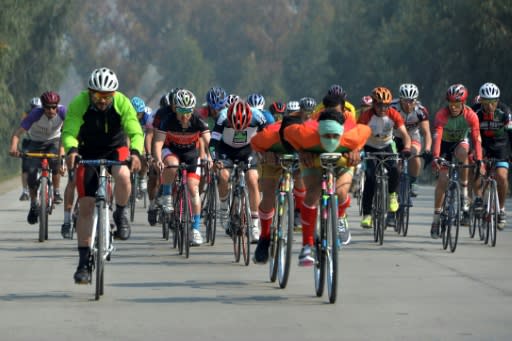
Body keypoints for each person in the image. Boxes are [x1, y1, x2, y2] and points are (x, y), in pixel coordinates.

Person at [62, 67, 143, 284]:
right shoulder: (79, 102)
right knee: (87, 206)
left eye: (107, 96)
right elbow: (69, 131)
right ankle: (83, 263)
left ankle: (121, 213)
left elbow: (135, 131)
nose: (102, 100)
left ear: (114, 94)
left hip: (116, 149)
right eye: (97, 95)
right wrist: (71, 150)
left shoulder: (122, 102)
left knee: (124, 175)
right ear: (90, 93)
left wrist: (136, 153)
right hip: (88, 151)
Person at [283, 109, 371, 265]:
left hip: (343, 158)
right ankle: (307, 245)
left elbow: (367, 131)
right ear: (318, 132)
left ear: (342, 133)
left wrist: (356, 149)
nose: (330, 140)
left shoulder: (351, 137)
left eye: (335, 136)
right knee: (312, 195)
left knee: (341, 191)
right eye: (326, 136)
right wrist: (301, 150)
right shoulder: (306, 135)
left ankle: (340, 217)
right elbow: (287, 132)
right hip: (313, 158)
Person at [153, 89, 210, 246]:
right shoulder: (168, 120)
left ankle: (196, 229)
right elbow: (158, 142)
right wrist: (158, 159)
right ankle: (166, 196)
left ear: (193, 110)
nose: (185, 116)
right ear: (175, 108)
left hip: (191, 154)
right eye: (181, 111)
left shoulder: (198, 119)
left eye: (188, 111)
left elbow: (209, 141)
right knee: (172, 166)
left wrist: (210, 157)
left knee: (193, 189)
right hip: (171, 150)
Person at [430, 83, 484, 238]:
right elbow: (438, 137)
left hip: (460, 142)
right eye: (451, 103)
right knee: (442, 180)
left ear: (463, 103)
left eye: (457, 104)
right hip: (445, 145)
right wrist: (435, 157)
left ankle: (464, 191)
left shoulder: (471, 115)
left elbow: (476, 138)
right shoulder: (442, 115)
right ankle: (436, 218)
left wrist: (479, 159)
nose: (453, 107)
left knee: (464, 152)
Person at [210, 99, 267, 243]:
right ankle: (224, 208)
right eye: (235, 127)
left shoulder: (258, 117)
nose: (239, 130)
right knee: (223, 175)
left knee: (252, 179)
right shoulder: (222, 118)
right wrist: (215, 160)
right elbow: (213, 143)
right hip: (226, 150)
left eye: (242, 127)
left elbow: (268, 136)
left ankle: (254, 225)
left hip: (247, 150)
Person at [358, 87, 412, 229]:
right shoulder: (366, 116)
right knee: (370, 178)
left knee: (395, 169)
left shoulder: (393, 114)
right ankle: (367, 215)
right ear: (374, 104)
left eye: (386, 105)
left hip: (387, 146)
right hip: (370, 148)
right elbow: (357, 135)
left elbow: (405, 135)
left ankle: (392, 194)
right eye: (379, 104)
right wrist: (357, 151)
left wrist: (406, 148)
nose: (383, 108)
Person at [9, 91, 67, 225]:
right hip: (35, 143)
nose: (51, 110)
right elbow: (18, 133)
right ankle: (34, 203)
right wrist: (13, 146)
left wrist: (64, 153)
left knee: (55, 164)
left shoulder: (63, 112)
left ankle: (57, 192)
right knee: (31, 171)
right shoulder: (35, 114)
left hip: (54, 141)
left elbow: (70, 130)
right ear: (43, 107)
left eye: (54, 107)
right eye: (47, 107)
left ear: (57, 106)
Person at [472, 82, 512, 230]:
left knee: (502, 176)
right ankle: (477, 198)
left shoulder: (505, 112)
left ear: (498, 101)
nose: (490, 106)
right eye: (486, 103)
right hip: (482, 145)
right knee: (476, 169)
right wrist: (473, 153)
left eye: (493, 102)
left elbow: (511, 133)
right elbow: (470, 135)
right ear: (481, 101)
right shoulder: (475, 112)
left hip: (501, 146)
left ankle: (501, 210)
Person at [391, 83, 432, 197]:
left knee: (414, 155)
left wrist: (428, 149)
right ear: (400, 99)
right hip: (394, 137)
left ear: (416, 100)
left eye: (411, 101)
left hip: (413, 136)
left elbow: (426, 132)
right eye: (405, 101)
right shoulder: (392, 107)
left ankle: (412, 181)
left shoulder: (421, 111)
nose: (408, 104)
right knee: (394, 164)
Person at [18, 97, 43, 201]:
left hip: (43, 142)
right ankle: (25, 191)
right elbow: (22, 128)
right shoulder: (26, 115)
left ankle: (50, 188)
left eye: (37, 108)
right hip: (29, 142)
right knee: (25, 167)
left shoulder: (45, 115)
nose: (34, 110)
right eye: (33, 108)